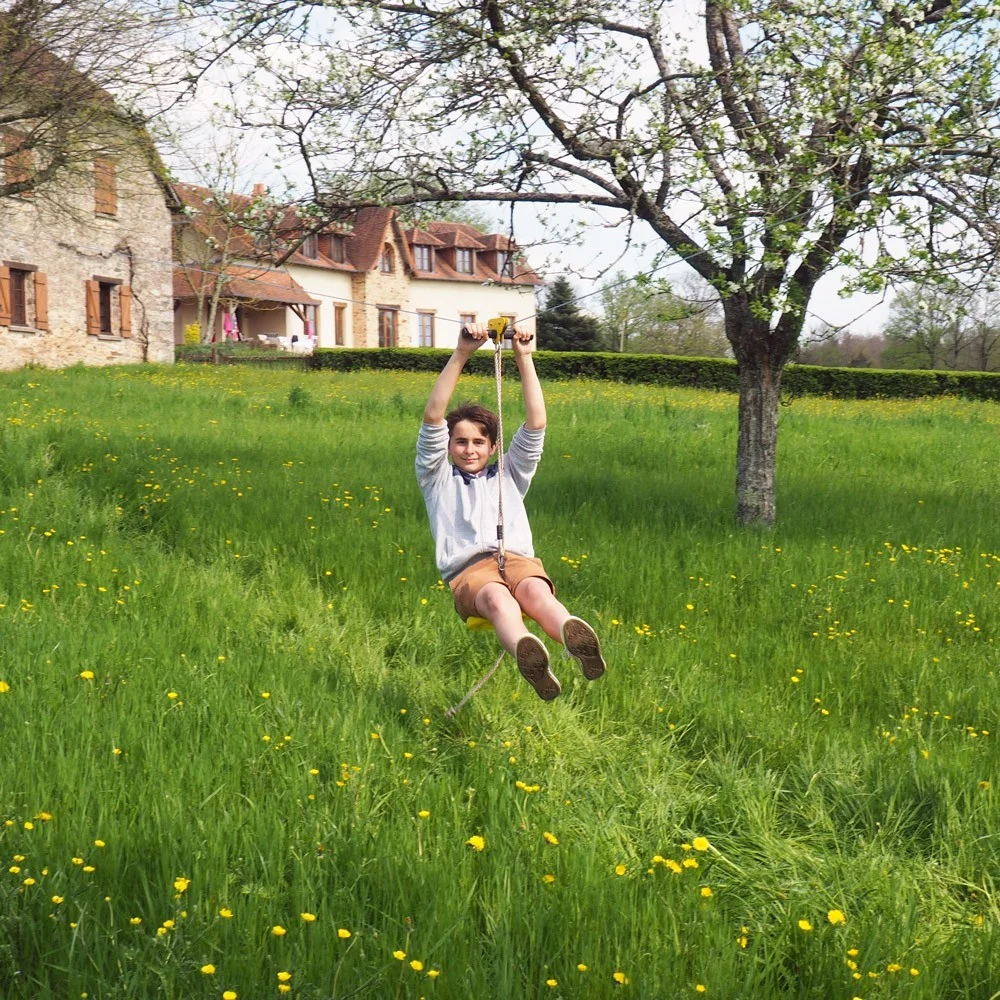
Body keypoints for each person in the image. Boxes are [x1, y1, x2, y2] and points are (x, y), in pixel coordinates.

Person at [415, 323, 606, 700]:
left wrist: (524, 357)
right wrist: (462, 353)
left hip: (517, 559)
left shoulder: (509, 473)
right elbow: (433, 418)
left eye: (478, 443)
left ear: (492, 447)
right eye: (461, 442)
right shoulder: (435, 476)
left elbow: (536, 424)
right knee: (498, 600)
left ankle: (572, 635)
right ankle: (527, 651)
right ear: (449, 446)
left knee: (536, 591)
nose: (469, 449)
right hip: (470, 571)